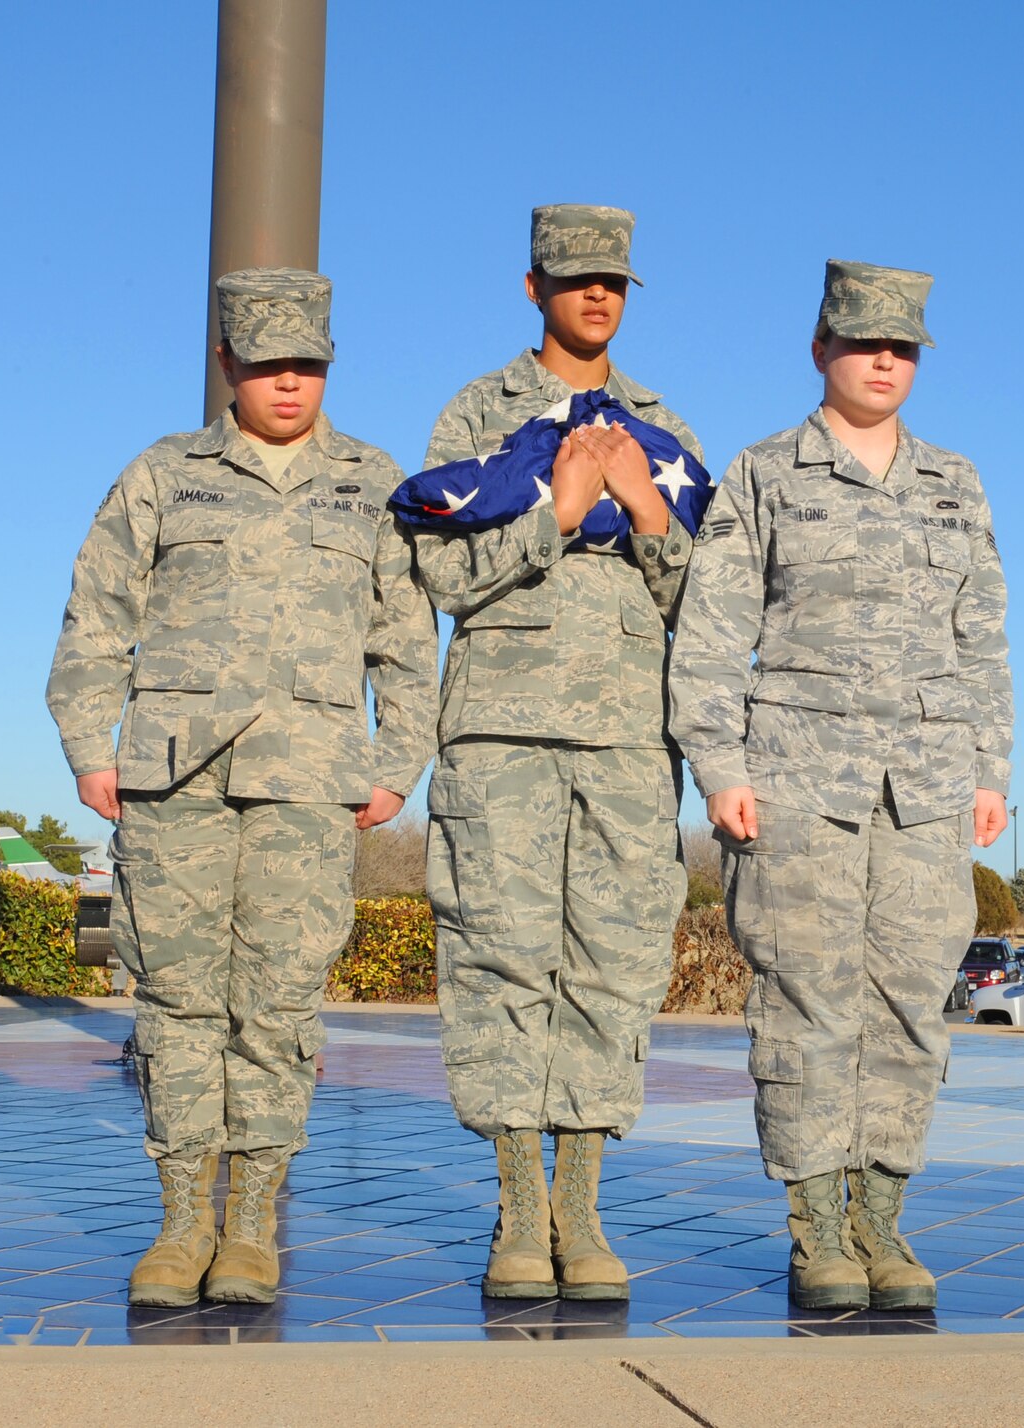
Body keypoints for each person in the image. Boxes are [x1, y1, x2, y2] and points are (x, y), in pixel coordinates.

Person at [45, 267, 437, 1308]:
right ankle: (181, 1224)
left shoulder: (369, 480)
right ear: (226, 365)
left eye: (306, 364)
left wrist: (397, 765)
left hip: (309, 785)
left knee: (276, 1004)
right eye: (267, 365)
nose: (288, 384)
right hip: (174, 779)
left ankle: (253, 1223)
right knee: (176, 1002)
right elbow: (94, 616)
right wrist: (90, 748)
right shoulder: (164, 474)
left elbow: (406, 639)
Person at [667, 260, 1013, 1312]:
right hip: (794, 785)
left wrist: (990, 769)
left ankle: (882, 1226)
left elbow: (982, 637)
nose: (882, 362)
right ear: (820, 349)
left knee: (910, 1006)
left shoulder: (954, 480)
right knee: (807, 1004)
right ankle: (816, 1231)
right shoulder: (766, 471)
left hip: (924, 788)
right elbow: (713, 632)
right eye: (864, 344)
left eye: (900, 348)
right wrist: (717, 767)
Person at [410, 204, 702, 1301]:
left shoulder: (660, 429)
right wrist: (558, 513)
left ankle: (581, 1212)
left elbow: (703, 605)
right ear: (530, 287)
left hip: (628, 742)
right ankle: (516, 1216)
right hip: (499, 735)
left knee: (611, 967)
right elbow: (439, 580)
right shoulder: (477, 413)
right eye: (574, 278)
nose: (596, 295)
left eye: (613, 281)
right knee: (498, 966)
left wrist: (643, 510)